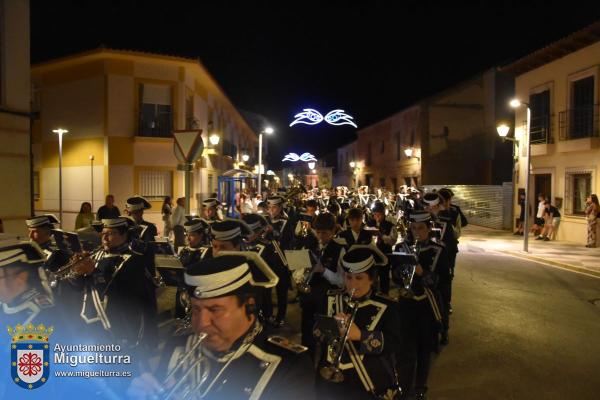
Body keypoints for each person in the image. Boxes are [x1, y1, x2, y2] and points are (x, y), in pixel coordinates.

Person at [127, 252, 316, 400]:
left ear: (249, 306)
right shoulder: (177, 346)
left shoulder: (289, 366)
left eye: (215, 310)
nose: (202, 323)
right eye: (195, 310)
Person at [314, 246, 403, 399]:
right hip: (330, 384)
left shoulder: (388, 306)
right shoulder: (331, 299)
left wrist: (361, 335)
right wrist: (329, 329)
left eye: (359, 278)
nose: (352, 284)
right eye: (349, 277)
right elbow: (315, 333)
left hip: (367, 383)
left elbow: (395, 343)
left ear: (372, 279)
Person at [72, 216, 158, 350]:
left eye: (110, 234)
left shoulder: (134, 261)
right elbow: (79, 288)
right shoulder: (97, 256)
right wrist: (76, 272)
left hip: (118, 329)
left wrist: (93, 272)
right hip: (90, 327)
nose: (104, 238)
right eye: (103, 234)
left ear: (125, 235)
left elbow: (123, 294)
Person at [392, 211, 448, 400]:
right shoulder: (401, 247)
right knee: (404, 349)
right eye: (413, 228)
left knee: (424, 349)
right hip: (405, 304)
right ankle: (402, 387)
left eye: (421, 228)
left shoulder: (438, 249)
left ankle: (420, 387)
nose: (416, 232)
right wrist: (402, 271)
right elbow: (394, 275)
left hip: (426, 305)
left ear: (428, 228)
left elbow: (441, 281)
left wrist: (421, 272)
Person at [243, 213, 290, 327]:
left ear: (258, 231)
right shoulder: (241, 246)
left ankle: (277, 317)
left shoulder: (267, 247)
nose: (245, 236)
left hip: (261, 293)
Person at [366, 201, 397, 295]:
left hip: (385, 253)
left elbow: (393, 241)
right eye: (375, 215)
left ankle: (384, 294)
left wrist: (381, 235)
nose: (377, 217)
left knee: (384, 276)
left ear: (384, 214)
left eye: (379, 215)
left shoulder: (390, 225)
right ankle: (373, 294)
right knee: (372, 277)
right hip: (373, 256)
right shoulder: (370, 224)